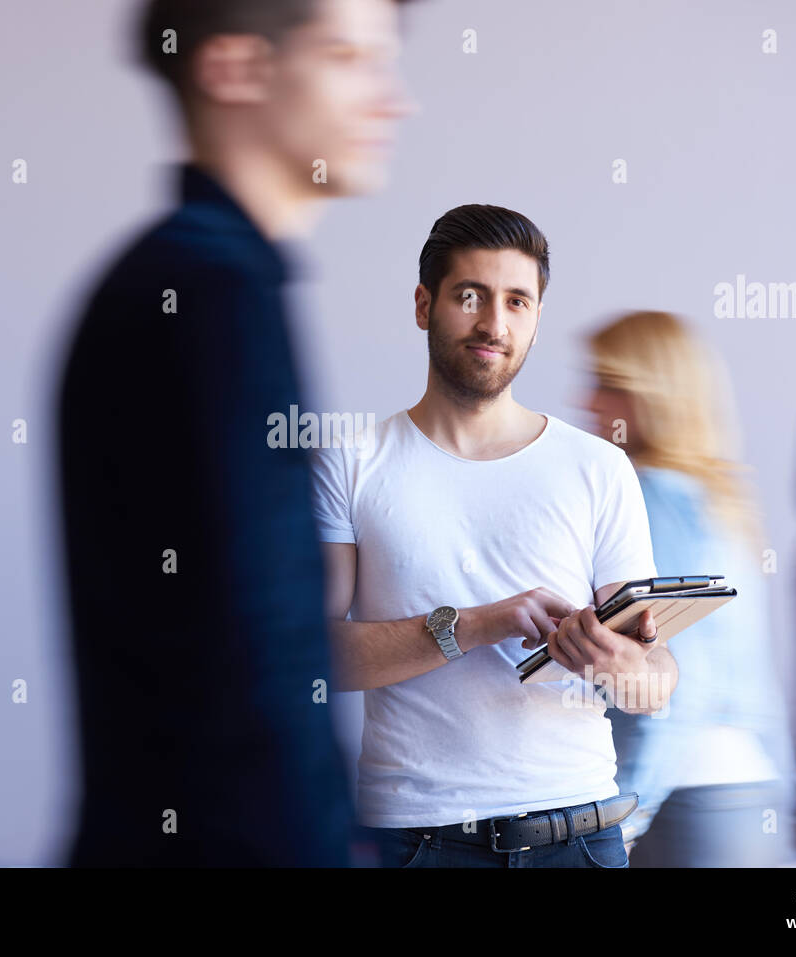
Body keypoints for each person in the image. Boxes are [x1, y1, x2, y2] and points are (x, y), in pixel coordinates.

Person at [55, 0, 414, 866]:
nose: (394, 99)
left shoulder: (185, 276)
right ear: (232, 68)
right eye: (348, 56)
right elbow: (262, 655)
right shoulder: (212, 291)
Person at [309, 204, 674, 868]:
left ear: (537, 318)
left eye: (517, 301)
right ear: (425, 305)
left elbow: (656, 681)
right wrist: (476, 624)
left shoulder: (598, 467)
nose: (493, 323)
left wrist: (622, 667)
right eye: (470, 296)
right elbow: (314, 652)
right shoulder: (352, 463)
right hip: (416, 841)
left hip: (580, 837)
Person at [583, 311, 796, 867]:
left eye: (608, 385)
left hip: (684, 800)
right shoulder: (719, 502)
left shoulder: (650, 497)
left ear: (652, 398)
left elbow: (679, 676)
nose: (588, 401)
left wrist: (622, 816)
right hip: (746, 786)